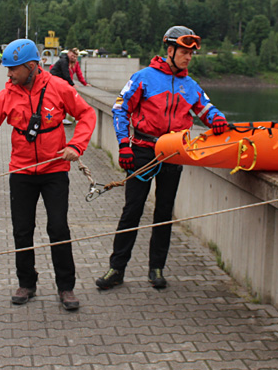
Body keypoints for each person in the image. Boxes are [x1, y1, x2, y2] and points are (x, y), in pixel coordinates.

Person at [0, 39, 97, 311]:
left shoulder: (59, 88)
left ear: (32, 66)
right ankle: (27, 283)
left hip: (55, 171)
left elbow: (87, 114)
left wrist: (76, 145)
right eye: (8, 69)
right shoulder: (5, 95)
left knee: (58, 228)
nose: (9, 74)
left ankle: (66, 287)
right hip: (21, 173)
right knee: (22, 230)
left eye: (13, 69)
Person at [96, 26, 228, 291]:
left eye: (191, 53)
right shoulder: (143, 78)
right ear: (170, 50)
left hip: (174, 152)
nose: (188, 57)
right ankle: (117, 269)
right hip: (143, 151)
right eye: (184, 52)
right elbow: (120, 109)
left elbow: (207, 109)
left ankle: (156, 268)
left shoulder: (191, 86)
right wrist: (124, 145)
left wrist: (219, 121)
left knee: (164, 213)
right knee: (132, 211)